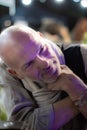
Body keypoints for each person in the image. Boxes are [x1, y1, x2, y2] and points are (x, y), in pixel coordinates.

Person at [0, 24, 87, 130]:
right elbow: (23, 125)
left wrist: (75, 87)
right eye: (29, 64)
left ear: (41, 36)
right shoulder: (8, 72)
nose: (45, 63)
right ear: (16, 73)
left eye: (42, 49)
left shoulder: (82, 55)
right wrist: (78, 92)